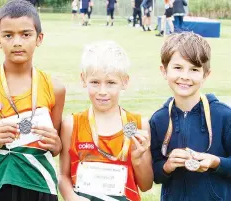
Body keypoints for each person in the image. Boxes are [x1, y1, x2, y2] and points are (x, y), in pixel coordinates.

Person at [0, 1, 66, 201]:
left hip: (41, 183)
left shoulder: (55, 88)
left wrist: (56, 144)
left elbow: (55, 147)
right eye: (8, 35)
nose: (17, 42)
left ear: (39, 38)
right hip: (0, 182)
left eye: (26, 34)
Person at [58, 41, 153, 201]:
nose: (102, 91)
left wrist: (138, 159)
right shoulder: (71, 125)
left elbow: (146, 185)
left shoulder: (138, 125)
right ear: (83, 79)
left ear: (124, 81)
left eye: (111, 83)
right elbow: (62, 176)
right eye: (95, 82)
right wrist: (72, 197)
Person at [150, 32, 231, 201]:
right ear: (164, 71)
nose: (185, 76)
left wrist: (216, 162)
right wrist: (167, 166)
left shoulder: (224, 116)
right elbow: (155, 175)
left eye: (194, 69)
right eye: (178, 67)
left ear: (205, 75)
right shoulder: (158, 120)